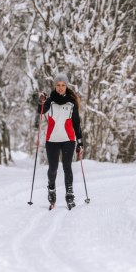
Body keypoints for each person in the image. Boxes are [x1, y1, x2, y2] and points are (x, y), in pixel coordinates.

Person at [38, 73, 84, 209]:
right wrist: (41, 101)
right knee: (53, 169)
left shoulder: (71, 103)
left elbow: (76, 123)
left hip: (68, 139)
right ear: (55, 86)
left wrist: (80, 142)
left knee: (67, 167)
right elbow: (40, 111)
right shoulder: (49, 101)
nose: (60, 88)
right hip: (52, 140)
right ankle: (51, 188)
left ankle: (69, 195)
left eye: (63, 85)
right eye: (58, 85)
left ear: (66, 86)